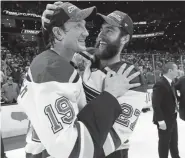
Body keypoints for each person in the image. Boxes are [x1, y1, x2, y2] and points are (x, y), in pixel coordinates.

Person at [18, 2, 140, 158]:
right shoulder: (67, 64)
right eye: (78, 26)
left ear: (125, 38)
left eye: (109, 30)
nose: (91, 34)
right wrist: (110, 95)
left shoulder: (130, 75)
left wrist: (51, 32)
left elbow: (117, 132)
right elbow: (74, 148)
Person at [152, 62, 181, 158]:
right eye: (176, 69)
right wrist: (160, 121)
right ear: (170, 71)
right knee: (164, 143)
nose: (178, 71)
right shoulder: (160, 84)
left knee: (174, 142)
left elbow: (174, 98)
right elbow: (156, 104)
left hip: (172, 117)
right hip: (164, 120)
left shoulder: (171, 82)